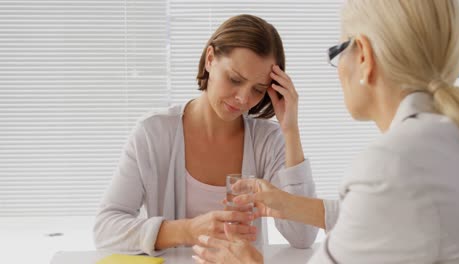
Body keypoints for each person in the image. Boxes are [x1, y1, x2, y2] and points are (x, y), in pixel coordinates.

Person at [192, 1, 459, 263]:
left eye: (338, 51)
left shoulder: (394, 164)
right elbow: (373, 215)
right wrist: (287, 203)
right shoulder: (444, 138)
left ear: (364, 56)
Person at [93, 14, 320, 256]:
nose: (243, 98)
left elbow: (303, 237)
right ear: (210, 59)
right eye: (234, 79)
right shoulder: (152, 133)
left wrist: (291, 131)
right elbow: (106, 230)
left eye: (258, 89)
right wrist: (187, 230)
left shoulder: (268, 141)